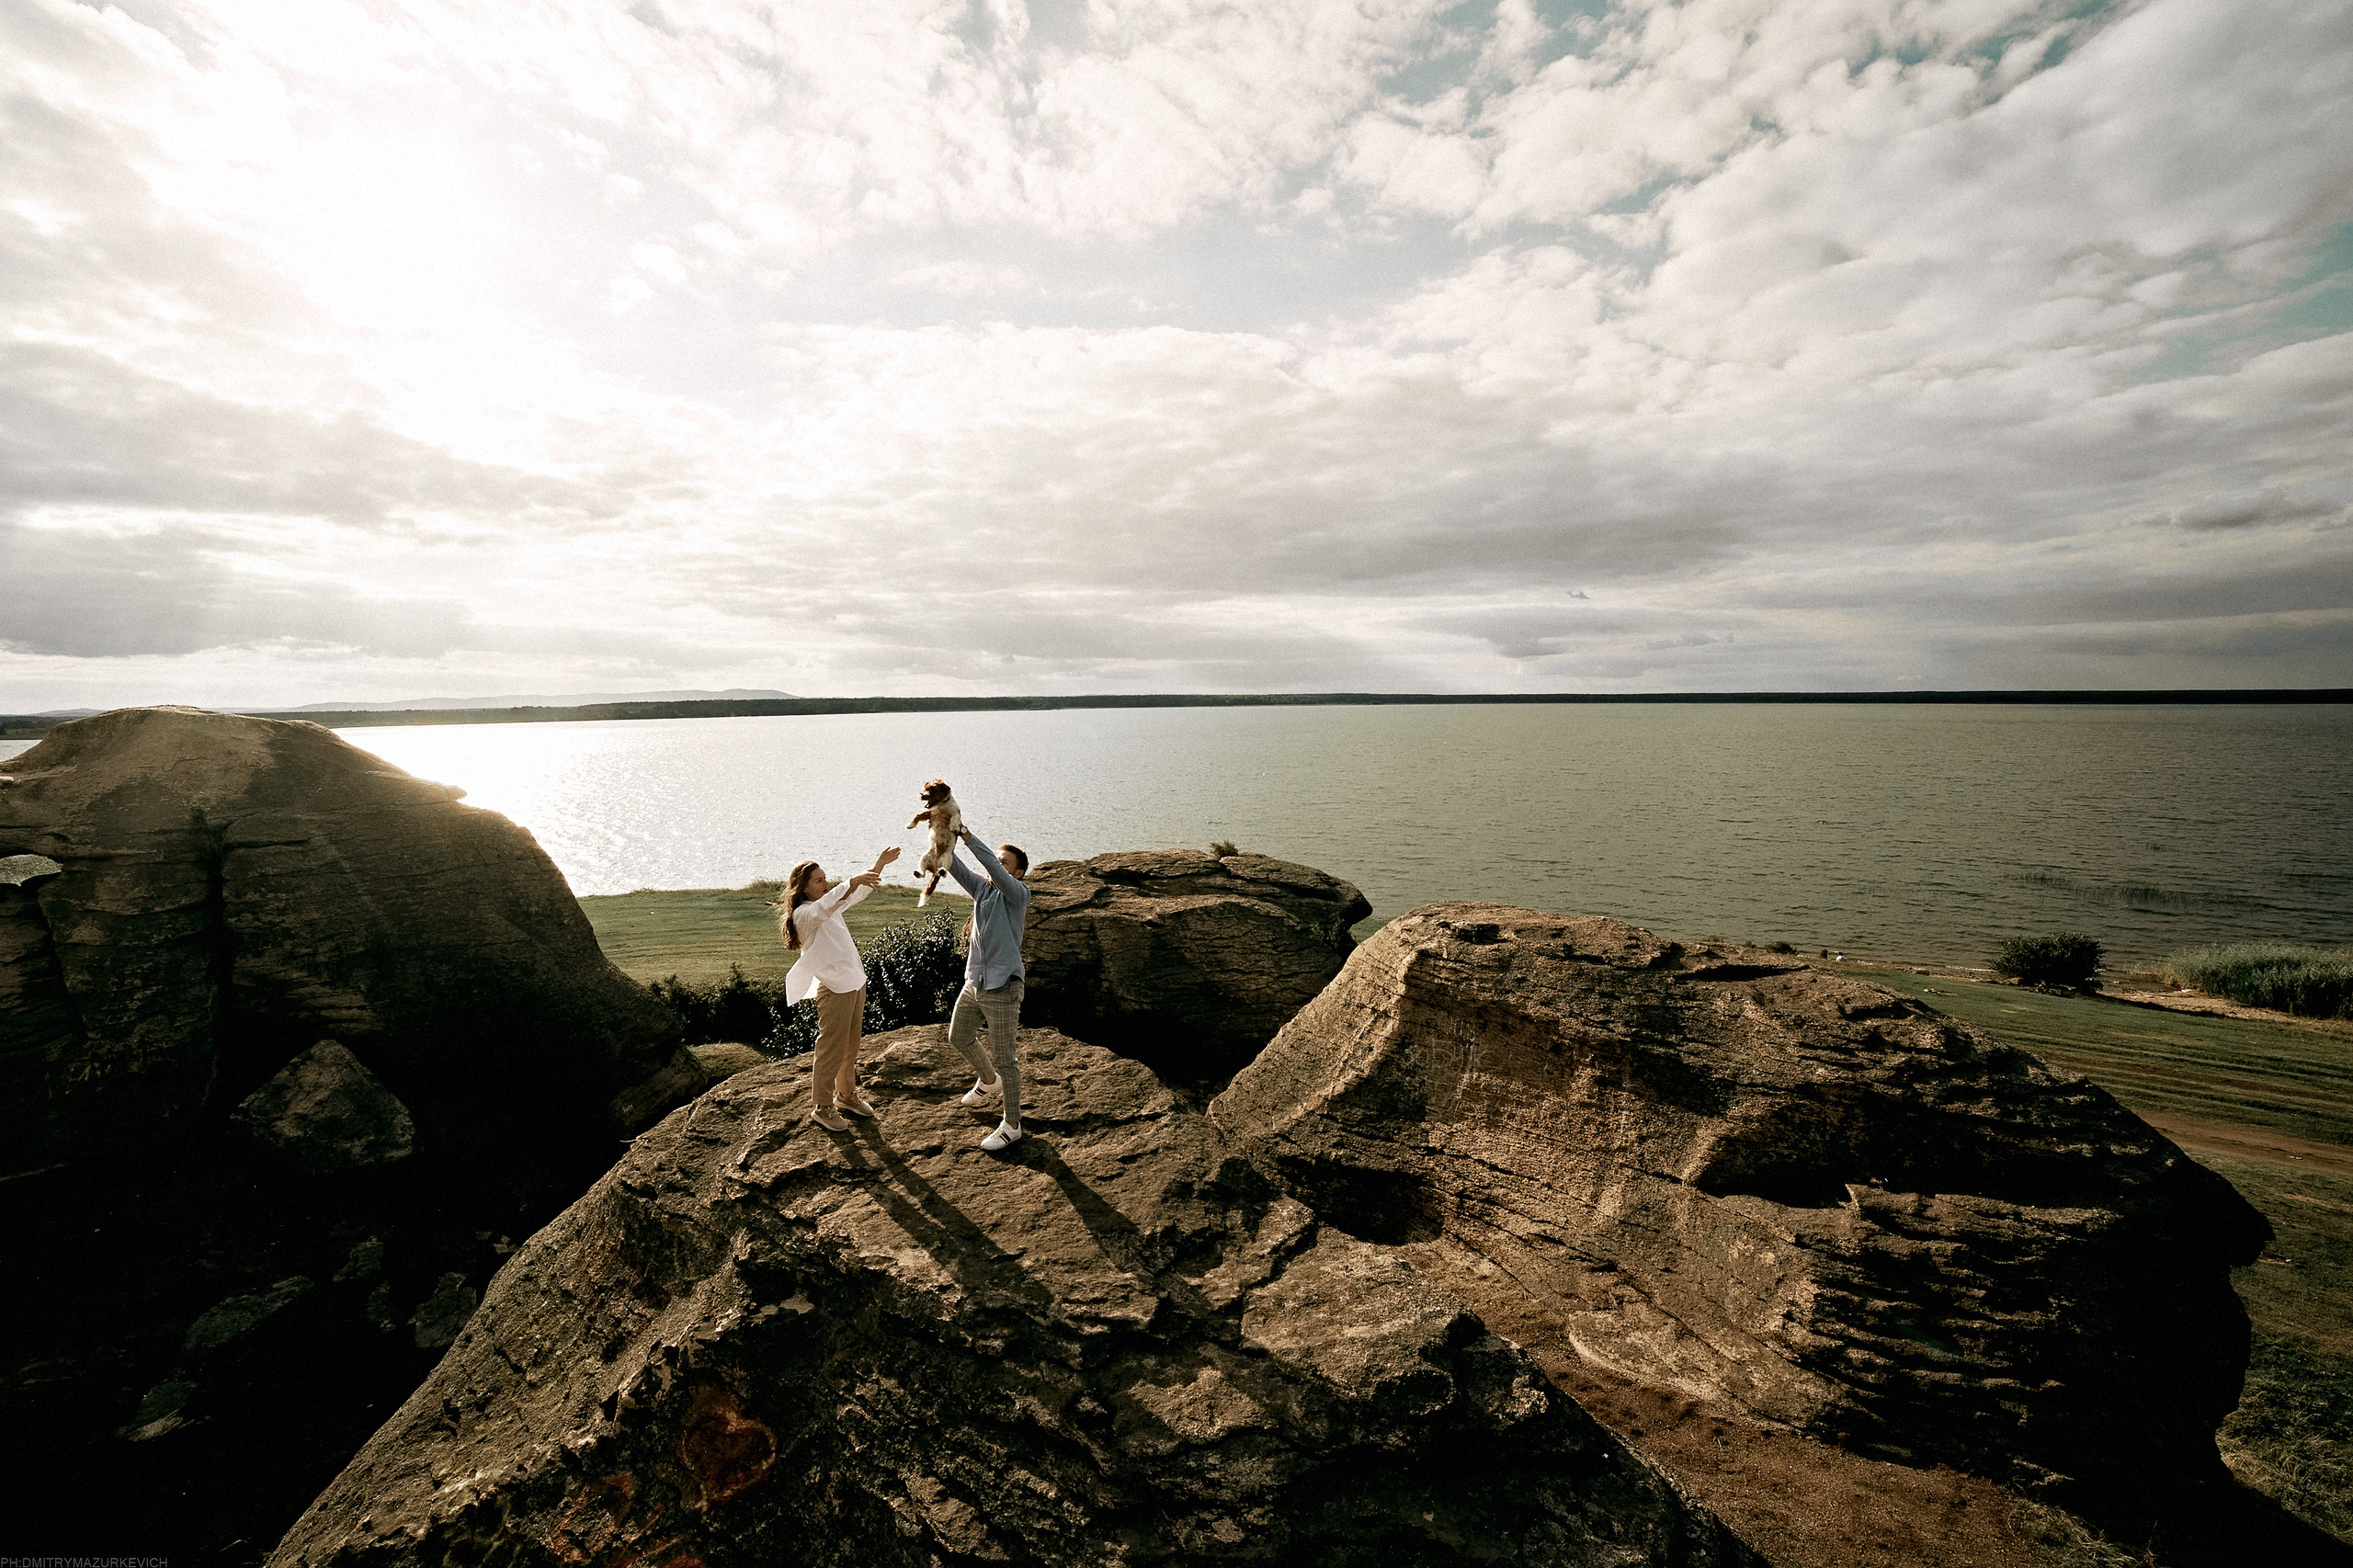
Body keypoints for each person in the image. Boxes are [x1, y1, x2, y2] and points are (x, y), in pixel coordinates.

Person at [779, 845, 902, 1131]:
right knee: (831, 1048)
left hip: (855, 982)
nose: (826, 883)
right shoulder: (805, 913)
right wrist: (851, 881)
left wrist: (879, 864)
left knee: (851, 1046)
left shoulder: (828, 906)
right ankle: (822, 1107)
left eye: (826, 878)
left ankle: (846, 1096)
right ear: (804, 888)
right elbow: (829, 902)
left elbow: (852, 895)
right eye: (819, 880)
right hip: (834, 987)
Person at [942, 825, 1031, 1152]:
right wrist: (942, 832)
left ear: (1018, 873)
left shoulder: (1018, 894)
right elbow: (953, 865)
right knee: (959, 1037)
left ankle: (1012, 1125)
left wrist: (966, 835)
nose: (997, 864)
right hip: (975, 981)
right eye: (998, 860)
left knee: (1006, 1059)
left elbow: (989, 867)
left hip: (1003, 987)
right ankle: (989, 1081)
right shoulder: (983, 890)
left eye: (1005, 862)